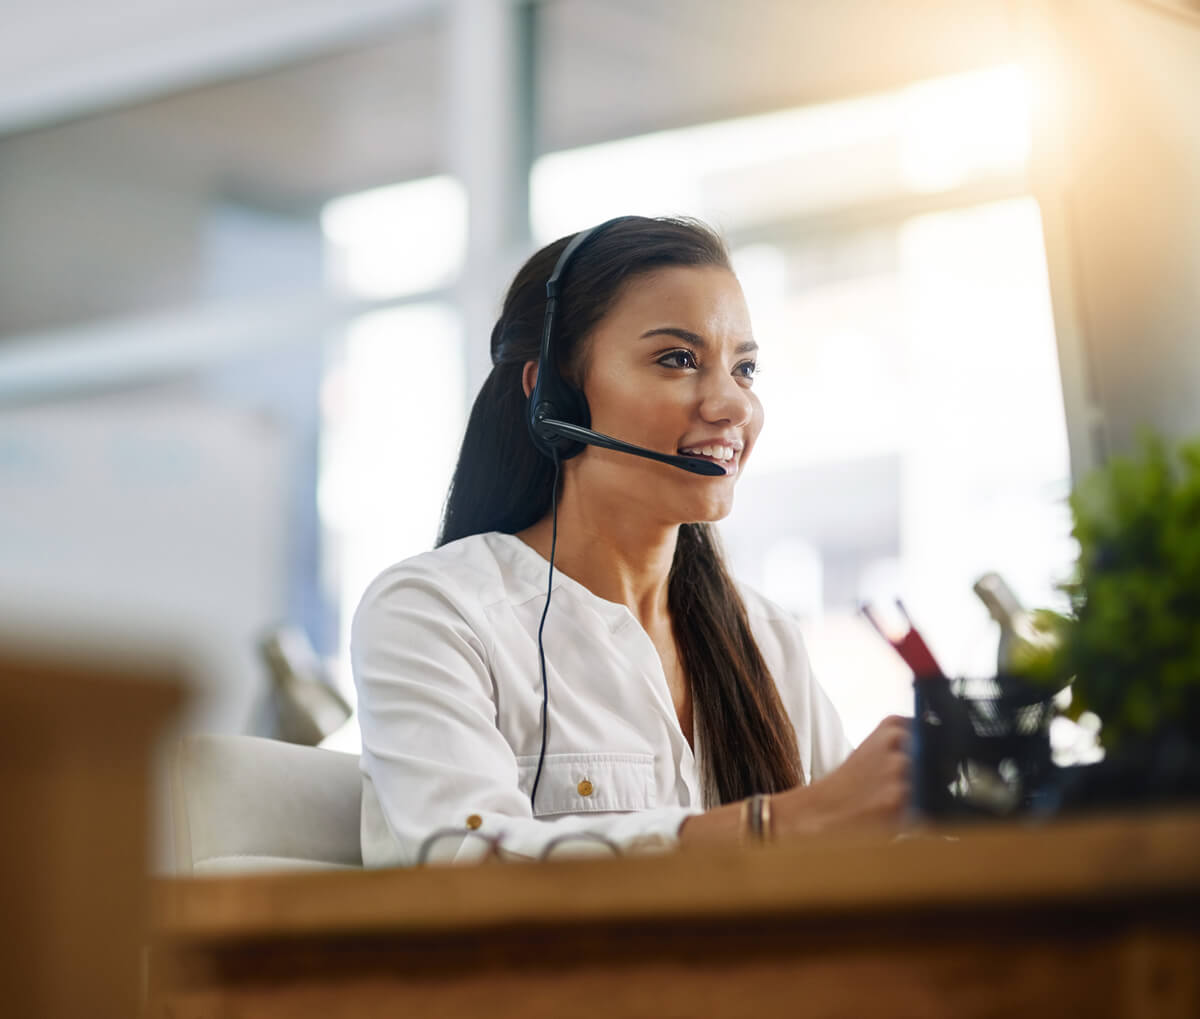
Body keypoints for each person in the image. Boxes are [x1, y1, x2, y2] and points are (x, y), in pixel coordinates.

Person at [352, 215, 910, 866]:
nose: (732, 404)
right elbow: (468, 856)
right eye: (678, 359)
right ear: (555, 393)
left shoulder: (764, 636)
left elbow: (854, 849)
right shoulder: (435, 611)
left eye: (745, 368)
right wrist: (776, 823)